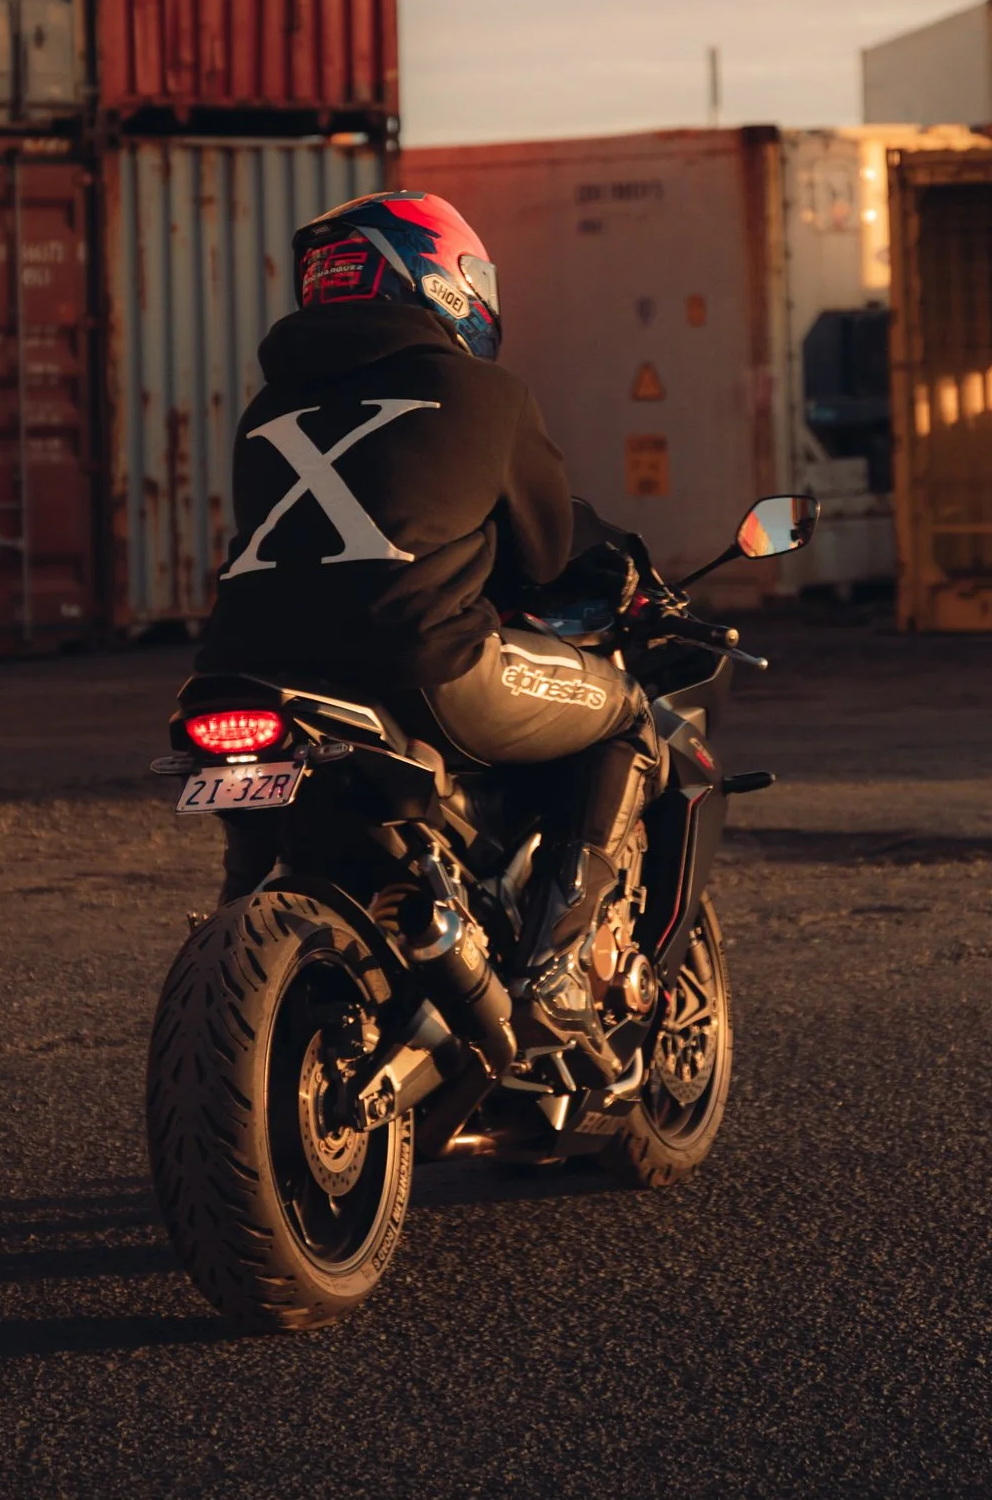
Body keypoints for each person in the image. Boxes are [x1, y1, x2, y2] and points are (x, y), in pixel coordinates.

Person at [196, 188, 663, 1052]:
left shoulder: (270, 410)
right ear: (439, 280)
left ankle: (246, 919)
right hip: (421, 663)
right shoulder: (480, 389)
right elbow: (542, 557)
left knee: (261, 856)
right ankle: (552, 969)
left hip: (242, 672)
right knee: (628, 718)